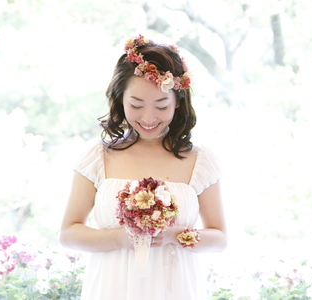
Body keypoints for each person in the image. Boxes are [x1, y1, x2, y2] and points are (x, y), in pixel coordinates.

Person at [59, 34, 227, 300]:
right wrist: (121, 238)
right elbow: (68, 233)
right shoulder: (98, 155)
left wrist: (175, 235)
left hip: (176, 289)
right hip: (111, 287)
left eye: (161, 106)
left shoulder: (200, 159)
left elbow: (219, 239)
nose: (149, 118)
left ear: (178, 101)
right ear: (120, 99)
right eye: (136, 105)